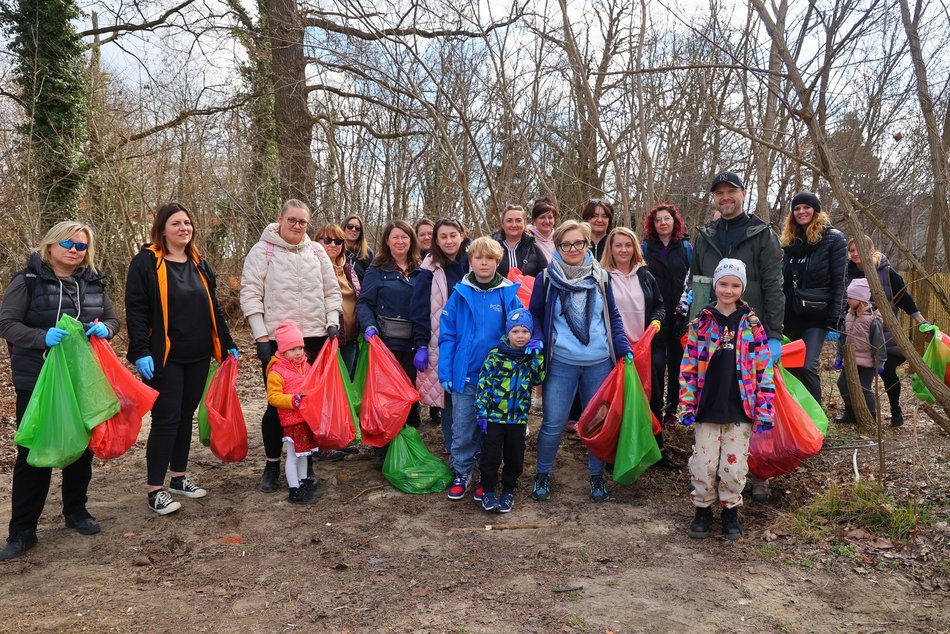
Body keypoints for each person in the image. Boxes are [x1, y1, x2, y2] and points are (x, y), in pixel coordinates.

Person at [0, 221, 120, 561]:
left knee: (82, 447)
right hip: (38, 379)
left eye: (81, 246)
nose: (74, 250)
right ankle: (22, 531)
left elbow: (113, 320)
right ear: (50, 245)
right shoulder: (28, 280)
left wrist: (105, 329)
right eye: (68, 243)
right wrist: (42, 337)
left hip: (82, 378)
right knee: (34, 452)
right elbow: (6, 323)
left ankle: (76, 511)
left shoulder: (93, 282)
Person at [126, 203, 238, 515]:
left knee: (185, 416)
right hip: (164, 357)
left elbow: (214, 307)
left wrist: (227, 343)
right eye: (176, 223)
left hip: (198, 354)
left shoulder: (200, 263)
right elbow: (136, 310)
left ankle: (178, 478)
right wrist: (141, 351)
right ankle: (154, 490)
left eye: (187, 223)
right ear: (162, 229)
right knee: (166, 419)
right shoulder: (146, 262)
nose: (183, 228)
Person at [688, 171, 784, 502]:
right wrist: (692, 322)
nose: (725, 197)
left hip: (750, 338)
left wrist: (774, 334)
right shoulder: (706, 236)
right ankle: (705, 475)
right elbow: (698, 283)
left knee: (752, 406)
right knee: (712, 402)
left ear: (743, 193)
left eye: (731, 191)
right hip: (711, 338)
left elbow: (774, 286)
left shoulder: (762, 235)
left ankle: (757, 474)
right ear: (714, 198)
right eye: (719, 193)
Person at [241, 199, 345, 494]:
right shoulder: (263, 251)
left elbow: (331, 290)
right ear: (280, 218)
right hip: (279, 342)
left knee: (309, 404)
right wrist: (261, 337)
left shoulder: (317, 252)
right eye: (292, 220)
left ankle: (306, 462)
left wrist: (332, 322)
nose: (297, 226)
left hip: (313, 338)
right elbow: (250, 293)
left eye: (302, 221)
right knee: (277, 404)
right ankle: (272, 464)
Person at [528, 220, 633, 503]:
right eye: (566, 244)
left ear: (588, 244)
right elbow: (535, 314)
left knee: (596, 423)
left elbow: (612, 315)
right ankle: (542, 474)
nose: (573, 249)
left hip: (599, 363)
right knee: (553, 423)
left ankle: (596, 476)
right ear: (557, 247)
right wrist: (536, 339)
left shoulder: (601, 277)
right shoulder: (546, 278)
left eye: (579, 243)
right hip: (561, 362)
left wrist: (622, 347)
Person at [677, 259, 774, 540]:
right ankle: (702, 509)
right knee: (704, 464)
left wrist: (764, 408)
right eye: (723, 284)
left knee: (733, 466)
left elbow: (764, 368)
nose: (728, 290)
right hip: (707, 406)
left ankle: (730, 510)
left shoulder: (752, 325)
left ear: (742, 288)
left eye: (734, 285)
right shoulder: (701, 323)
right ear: (715, 285)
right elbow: (688, 367)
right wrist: (686, 402)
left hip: (740, 407)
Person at [439, 236, 522, 501]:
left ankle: (485, 476)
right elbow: (447, 335)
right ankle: (462, 470)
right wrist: (445, 371)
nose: (483, 263)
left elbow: (521, 327)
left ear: (497, 262)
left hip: (498, 380)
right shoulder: (460, 294)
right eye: (478, 258)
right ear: (470, 262)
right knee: (463, 428)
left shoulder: (508, 294)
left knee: (491, 432)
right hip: (466, 375)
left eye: (489, 258)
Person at [600, 227, 679, 470]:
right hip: (615, 349)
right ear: (610, 249)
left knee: (651, 397)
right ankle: (615, 453)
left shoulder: (645, 276)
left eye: (628, 245)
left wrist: (656, 322)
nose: (623, 250)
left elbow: (660, 306)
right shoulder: (602, 278)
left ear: (635, 248)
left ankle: (657, 449)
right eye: (618, 245)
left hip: (645, 347)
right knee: (618, 402)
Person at [357, 219, 424, 467]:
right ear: (387, 240)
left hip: (414, 344)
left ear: (411, 240)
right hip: (386, 345)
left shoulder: (422, 270)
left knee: (407, 398)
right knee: (385, 399)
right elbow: (364, 303)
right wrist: (369, 326)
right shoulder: (377, 270)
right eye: (395, 237)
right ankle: (382, 449)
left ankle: (403, 445)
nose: (400, 241)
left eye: (404, 237)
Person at [844, 235, 929, 427]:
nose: (855, 254)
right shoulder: (847, 272)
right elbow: (843, 302)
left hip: (886, 334)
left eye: (859, 249)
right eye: (851, 250)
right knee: (852, 375)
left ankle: (895, 409)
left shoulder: (886, 271)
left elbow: (905, 300)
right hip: (858, 334)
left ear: (870, 249)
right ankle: (854, 412)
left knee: (888, 372)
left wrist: (922, 323)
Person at [474, 309, 545, 513]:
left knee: (515, 457)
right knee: (491, 456)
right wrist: (481, 412)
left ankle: (508, 490)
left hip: (518, 419)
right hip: (494, 418)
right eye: (515, 331)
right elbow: (484, 385)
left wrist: (537, 357)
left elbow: (538, 379)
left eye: (525, 331)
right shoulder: (495, 356)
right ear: (507, 333)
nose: (520, 336)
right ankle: (488, 490)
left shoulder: (529, 357)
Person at [780, 191, 847, 403]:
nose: (801, 212)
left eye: (806, 207)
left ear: (816, 210)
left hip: (816, 314)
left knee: (807, 365)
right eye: (797, 208)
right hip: (789, 315)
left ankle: (816, 419)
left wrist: (836, 320)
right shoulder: (789, 241)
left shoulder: (833, 239)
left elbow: (840, 281)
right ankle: (797, 416)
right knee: (789, 367)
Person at [410, 218, 468, 451]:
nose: (449, 241)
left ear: (462, 235)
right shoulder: (429, 269)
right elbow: (419, 309)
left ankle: (473, 450)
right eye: (443, 236)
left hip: (472, 342)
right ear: (436, 240)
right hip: (442, 342)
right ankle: (454, 451)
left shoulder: (475, 261)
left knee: (472, 396)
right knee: (448, 397)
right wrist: (421, 344)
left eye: (453, 235)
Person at [641, 203, 692, 426]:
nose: (663, 223)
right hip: (655, 314)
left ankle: (672, 409)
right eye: (658, 220)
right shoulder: (645, 248)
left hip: (680, 313)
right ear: (652, 224)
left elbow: (692, 278)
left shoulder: (686, 248)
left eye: (667, 219)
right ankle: (655, 407)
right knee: (657, 361)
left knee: (677, 362)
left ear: (675, 222)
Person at [266, 321, 318, 505]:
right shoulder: (276, 371)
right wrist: (292, 400)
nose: (298, 352)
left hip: (305, 418)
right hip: (291, 420)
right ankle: (294, 488)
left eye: (300, 348)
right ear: (283, 350)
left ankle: (304, 482)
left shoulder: (305, 365)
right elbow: (273, 397)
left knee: (304, 453)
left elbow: (312, 384)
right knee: (293, 455)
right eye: (293, 349)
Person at [833, 279, 886, 424]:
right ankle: (850, 412)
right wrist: (839, 357)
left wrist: (880, 362)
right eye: (848, 297)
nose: (848, 300)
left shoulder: (872, 320)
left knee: (864, 388)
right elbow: (843, 338)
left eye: (851, 297)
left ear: (861, 299)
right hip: (851, 360)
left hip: (868, 362)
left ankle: (872, 418)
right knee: (843, 384)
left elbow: (879, 342)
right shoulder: (849, 316)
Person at [317, 223, 361, 373]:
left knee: (346, 381)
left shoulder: (347, 268)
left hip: (349, 338)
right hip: (326, 338)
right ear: (317, 242)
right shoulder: (313, 267)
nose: (333, 245)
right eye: (327, 240)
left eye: (338, 241)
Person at [491, 204, 546, 277]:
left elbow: (545, 277)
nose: (514, 225)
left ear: (524, 223)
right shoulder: (490, 247)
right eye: (509, 221)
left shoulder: (534, 249)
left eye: (518, 221)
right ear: (503, 224)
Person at [342, 213, 375, 282]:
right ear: (343, 227)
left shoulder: (367, 254)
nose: (353, 230)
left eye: (357, 228)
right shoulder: (335, 248)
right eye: (350, 226)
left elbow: (373, 279)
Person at [526, 195, 558, 263]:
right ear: (534, 221)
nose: (547, 221)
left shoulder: (560, 239)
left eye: (550, 217)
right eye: (542, 217)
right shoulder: (527, 239)